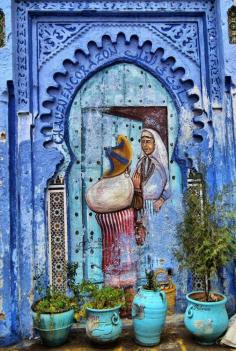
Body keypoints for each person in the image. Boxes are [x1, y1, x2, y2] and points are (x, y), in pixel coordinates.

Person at [132, 128, 170, 244]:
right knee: (141, 240)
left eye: (148, 141)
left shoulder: (160, 164)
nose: (145, 145)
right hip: (141, 206)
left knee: (154, 239)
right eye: (142, 141)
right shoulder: (140, 162)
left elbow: (169, 185)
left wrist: (162, 199)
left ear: (155, 143)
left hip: (154, 207)